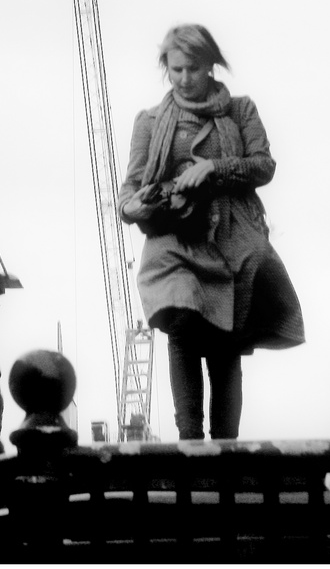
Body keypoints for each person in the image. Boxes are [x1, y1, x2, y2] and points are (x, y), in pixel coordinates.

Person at [118, 24, 304, 440]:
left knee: (224, 341)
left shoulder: (240, 110)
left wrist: (215, 169)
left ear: (212, 65)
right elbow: (129, 188)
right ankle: (189, 440)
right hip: (176, 234)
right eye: (177, 69)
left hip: (230, 232)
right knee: (181, 321)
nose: (185, 78)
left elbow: (263, 165)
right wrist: (133, 206)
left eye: (195, 68)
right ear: (166, 68)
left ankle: (225, 447)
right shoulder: (150, 121)